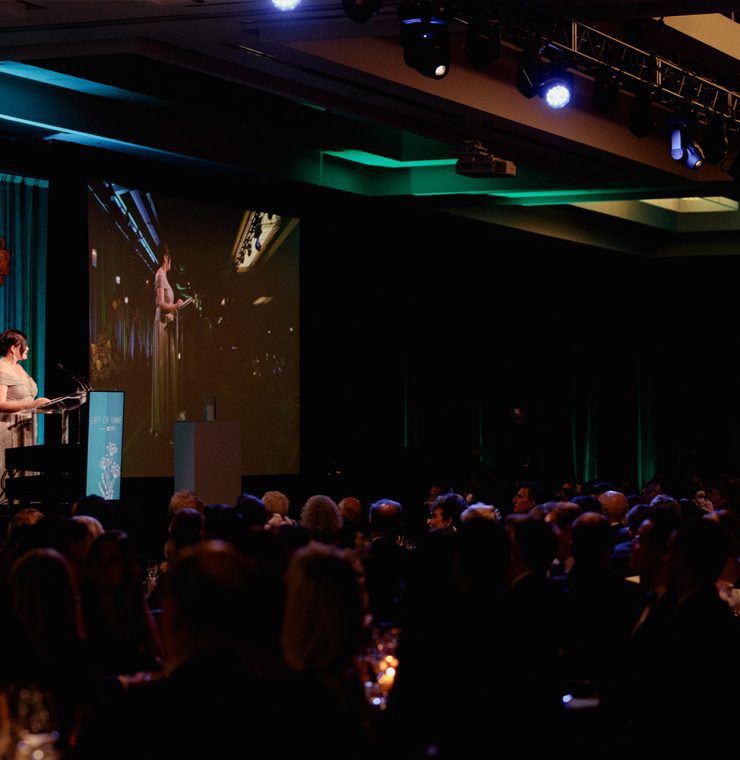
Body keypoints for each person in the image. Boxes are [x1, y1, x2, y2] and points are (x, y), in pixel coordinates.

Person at [0, 329, 50, 479]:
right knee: (8, 476)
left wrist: (39, 406)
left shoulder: (20, 368)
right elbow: (1, 403)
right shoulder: (2, 368)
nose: (27, 348)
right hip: (8, 430)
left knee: (25, 477)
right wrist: (31, 404)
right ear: (13, 348)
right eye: (24, 345)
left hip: (26, 429)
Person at [150, 247, 183, 437]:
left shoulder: (164, 276)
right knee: (163, 369)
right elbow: (161, 305)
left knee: (167, 369)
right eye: (170, 259)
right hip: (163, 325)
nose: (171, 263)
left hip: (167, 326)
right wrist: (176, 305)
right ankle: (161, 421)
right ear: (165, 258)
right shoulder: (160, 275)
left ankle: (167, 416)